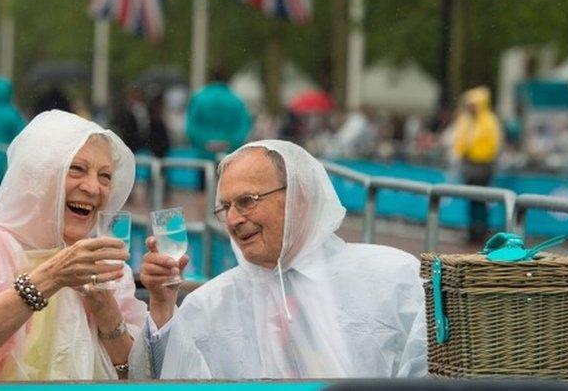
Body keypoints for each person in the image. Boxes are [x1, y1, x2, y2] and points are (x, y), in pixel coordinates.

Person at [140, 140, 427, 378]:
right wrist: (163, 307)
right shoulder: (210, 304)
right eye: (225, 207)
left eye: (247, 201)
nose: (233, 219)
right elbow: (171, 382)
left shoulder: (393, 278)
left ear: (299, 196)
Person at [0, 110, 149, 381]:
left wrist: (106, 311)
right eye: (76, 169)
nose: (92, 188)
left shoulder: (106, 266)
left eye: (105, 176)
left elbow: (138, 378)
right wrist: (52, 277)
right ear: (39, 176)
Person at [451, 86, 503, 243]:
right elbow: (460, 141)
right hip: (468, 164)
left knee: (481, 201)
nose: (470, 107)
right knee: (471, 200)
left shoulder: (489, 121)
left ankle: (481, 231)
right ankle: (473, 231)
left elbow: (493, 145)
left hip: (483, 165)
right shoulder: (466, 120)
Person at [185, 68, 252, 157]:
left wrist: (205, 143)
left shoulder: (198, 98)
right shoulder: (236, 100)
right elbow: (244, 127)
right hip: (229, 154)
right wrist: (229, 143)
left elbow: (191, 126)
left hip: (203, 154)